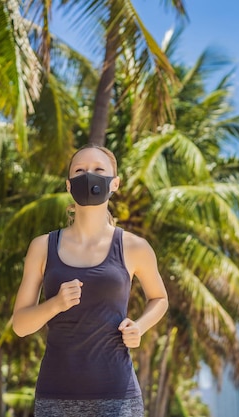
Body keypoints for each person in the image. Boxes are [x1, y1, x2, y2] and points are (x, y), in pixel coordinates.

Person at [12, 145, 169, 417]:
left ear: (115, 183)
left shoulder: (134, 247)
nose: (89, 176)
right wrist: (55, 304)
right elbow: (20, 325)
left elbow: (160, 298)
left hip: (118, 399)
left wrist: (139, 327)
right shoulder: (42, 247)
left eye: (99, 170)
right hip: (55, 398)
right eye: (80, 170)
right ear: (69, 185)